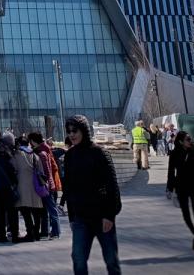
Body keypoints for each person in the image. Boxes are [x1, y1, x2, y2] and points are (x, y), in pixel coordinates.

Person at [62, 115, 122, 275]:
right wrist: (72, 217)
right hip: (80, 219)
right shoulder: (69, 156)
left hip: (102, 217)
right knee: (78, 259)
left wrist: (109, 215)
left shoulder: (99, 152)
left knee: (111, 261)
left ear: (84, 130)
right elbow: (68, 188)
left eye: (75, 131)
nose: (71, 135)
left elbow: (112, 185)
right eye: (69, 131)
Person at [166, 130, 194, 255]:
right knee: (186, 216)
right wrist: (170, 188)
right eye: (188, 139)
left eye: (190, 139)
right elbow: (171, 171)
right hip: (181, 187)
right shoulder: (174, 153)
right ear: (180, 141)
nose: (190, 141)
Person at [13, 133, 47, 241]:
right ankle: (36, 233)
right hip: (36, 187)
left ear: (19, 144)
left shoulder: (17, 154)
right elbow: (41, 171)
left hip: (22, 187)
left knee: (25, 211)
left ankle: (30, 233)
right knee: (36, 211)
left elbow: (13, 168)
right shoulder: (35, 155)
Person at [31, 131, 62, 239]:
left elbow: (48, 170)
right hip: (47, 183)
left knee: (51, 209)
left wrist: (48, 183)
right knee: (46, 209)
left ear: (33, 141)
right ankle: (46, 232)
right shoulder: (43, 149)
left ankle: (55, 232)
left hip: (46, 184)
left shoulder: (42, 152)